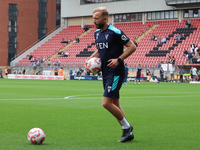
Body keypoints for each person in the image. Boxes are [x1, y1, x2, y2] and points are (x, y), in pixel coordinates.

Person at [84, 7, 136, 143]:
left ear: (104, 18)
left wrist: (118, 59)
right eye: (93, 18)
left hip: (116, 72)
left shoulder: (115, 32)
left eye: (96, 18)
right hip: (105, 72)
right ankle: (127, 133)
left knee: (106, 103)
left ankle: (127, 127)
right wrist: (89, 60)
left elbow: (132, 46)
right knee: (115, 104)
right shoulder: (96, 33)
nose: (93, 21)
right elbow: (100, 49)